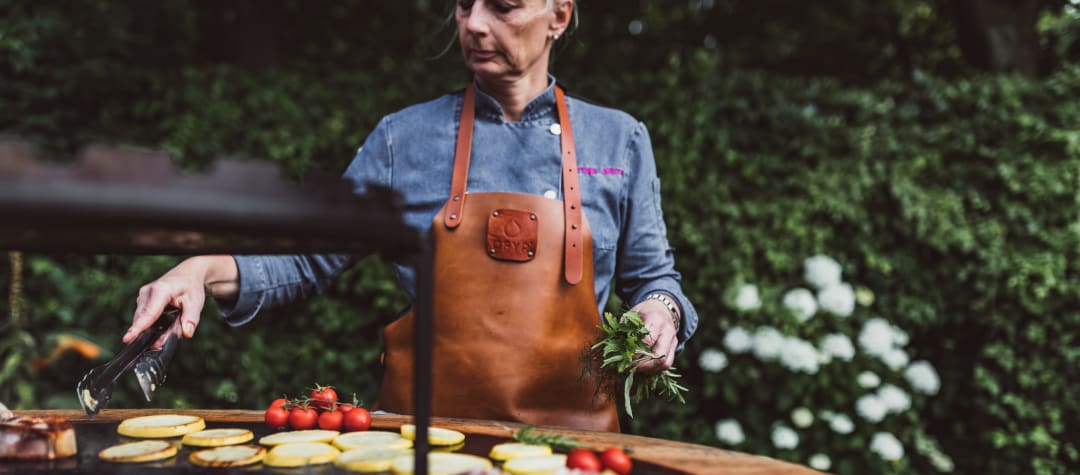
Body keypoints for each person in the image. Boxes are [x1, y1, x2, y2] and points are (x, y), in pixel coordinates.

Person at [123, 0, 697, 432]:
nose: (474, 24)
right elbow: (309, 257)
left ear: (559, 16)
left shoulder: (619, 140)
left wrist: (660, 312)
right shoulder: (404, 138)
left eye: (502, 7)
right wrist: (202, 270)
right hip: (423, 442)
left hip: (572, 448)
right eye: (464, 4)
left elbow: (654, 279)